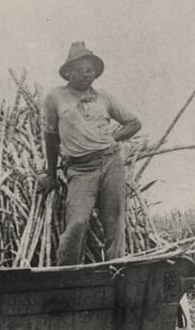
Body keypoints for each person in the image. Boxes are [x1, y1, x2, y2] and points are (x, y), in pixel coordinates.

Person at [39, 41, 142, 265]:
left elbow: (134, 123)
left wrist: (111, 139)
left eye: (89, 70)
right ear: (67, 73)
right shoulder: (55, 97)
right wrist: (51, 174)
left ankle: (116, 271)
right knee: (76, 223)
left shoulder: (104, 97)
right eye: (79, 70)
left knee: (114, 222)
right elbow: (50, 135)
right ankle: (67, 275)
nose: (85, 74)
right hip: (80, 168)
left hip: (110, 162)